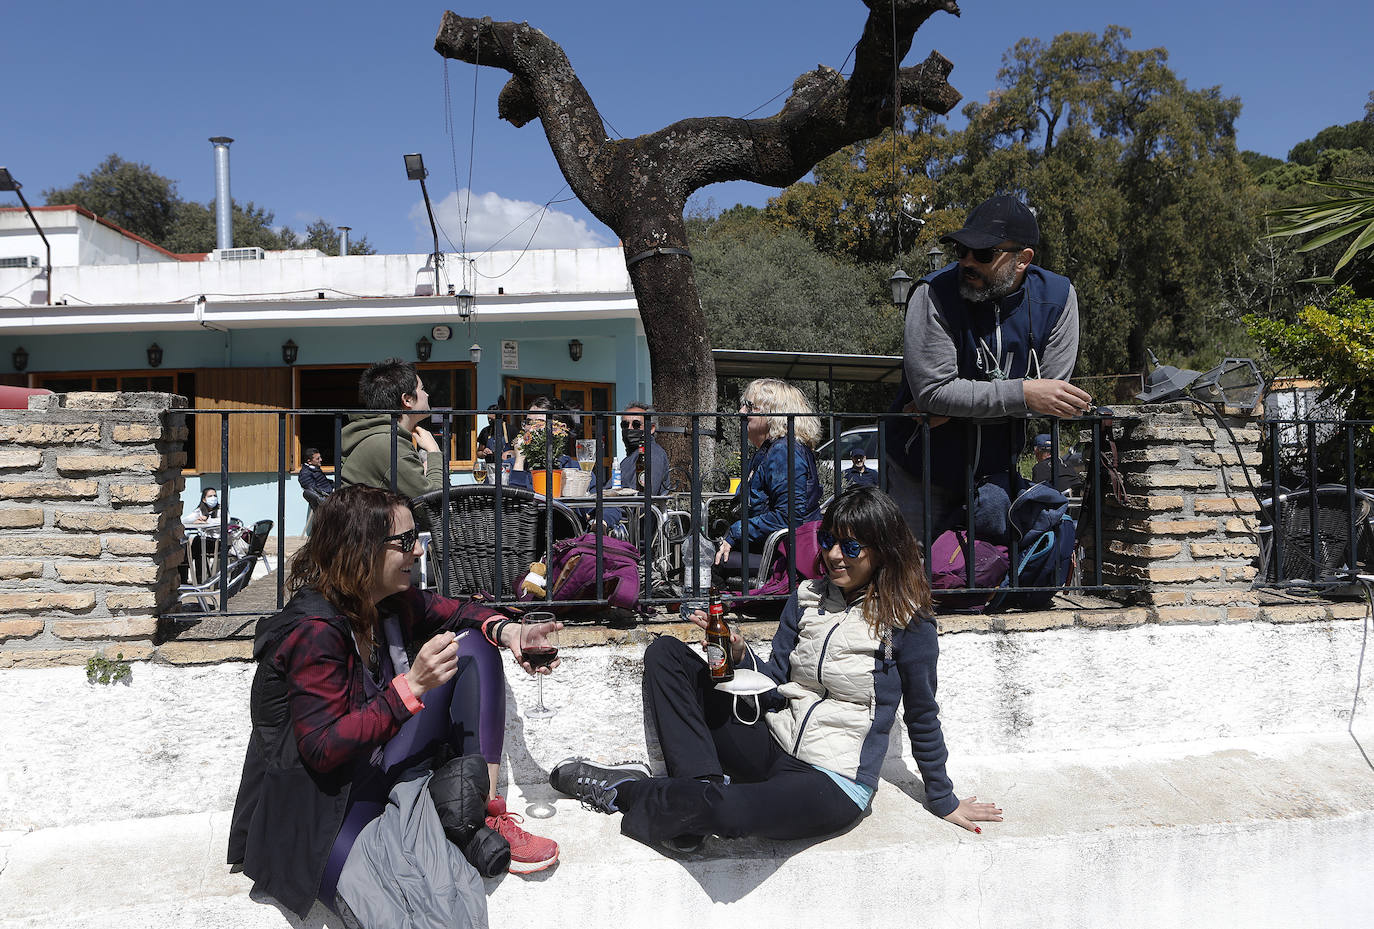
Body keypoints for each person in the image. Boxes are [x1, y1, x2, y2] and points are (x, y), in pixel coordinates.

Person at [547, 486, 1003, 850]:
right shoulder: (806, 598)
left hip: (831, 781)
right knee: (665, 653)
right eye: (827, 542)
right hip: (771, 742)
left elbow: (922, 714)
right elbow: (776, 684)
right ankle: (699, 791)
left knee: (729, 816)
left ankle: (624, 791)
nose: (834, 556)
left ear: (883, 550)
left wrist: (943, 799)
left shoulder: (908, 621)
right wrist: (742, 655)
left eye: (852, 546)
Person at [227, 485, 561, 924]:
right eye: (404, 542)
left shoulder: (385, 601)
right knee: (399, 909)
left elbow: (457, 611)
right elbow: (322, 749)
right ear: (360, 549)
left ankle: (478, 813)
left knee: (476, 651)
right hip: (324, 803)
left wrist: (508, 631)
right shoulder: (315, 629)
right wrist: (412, 687)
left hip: (376, 763)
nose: (419, 551)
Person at [885, 194, 1091, 542]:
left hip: (996, 481)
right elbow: (935, 392)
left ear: (1023, 259)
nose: (967, 262)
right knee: (911, 582)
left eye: (982, 254)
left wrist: (958, 404)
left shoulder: (1058, 297)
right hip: (920, 473)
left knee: (984, 584)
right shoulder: (932, 292)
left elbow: (1052, 397)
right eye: (961, 251)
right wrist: (1024, 393)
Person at [714, 378, 822, 585]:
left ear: (774, 413)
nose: (741, 412)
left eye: (749, 406)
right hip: (768, 546)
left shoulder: (784, 451)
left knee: (708, 563)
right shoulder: (768, 450)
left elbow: (789, 518)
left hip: (784, 553)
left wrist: (736, 532)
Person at [340, 358, 443, 498]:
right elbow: (435, 501)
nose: (427, 394)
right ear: (407, 400)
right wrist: (434, 451)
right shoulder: (389, 445)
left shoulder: (379, 436)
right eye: (422, 389)